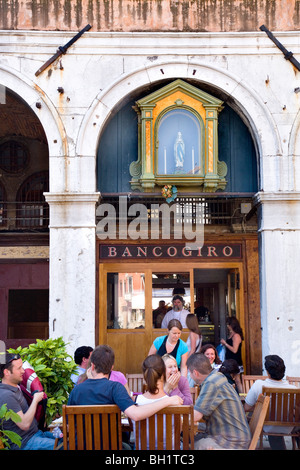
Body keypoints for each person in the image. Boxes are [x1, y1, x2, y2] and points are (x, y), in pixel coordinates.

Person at [68, 345, 183, 422]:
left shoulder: (76, 390)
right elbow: (136, 414)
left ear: (92, 365)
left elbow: (68, 425)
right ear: (111, 367)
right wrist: (167, 400)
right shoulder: (115, 388)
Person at [187, 353, 251, 450]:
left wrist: (175, 417)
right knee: (191, 439)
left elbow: (195, 416)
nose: (190, 376)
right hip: (235, 437)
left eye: (190, 373)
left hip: (231, 443)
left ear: (195, 373)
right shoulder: (217, 376)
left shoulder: (211, 382)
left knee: (186, 445)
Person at [0, 353, 62, 450]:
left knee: (74, 441)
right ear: (7, 372)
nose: (23, 371)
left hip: (36, 434)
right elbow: (24, 424)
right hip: (26, 443)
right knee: (68, 446)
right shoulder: (6, 395)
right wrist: (35, 400)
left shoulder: (16, 387)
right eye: (19, 368)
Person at [244, 355, 296, 450]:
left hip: (268, 426)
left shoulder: (259, 385)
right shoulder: (294, 389)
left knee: (252, 418)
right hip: (289, 427)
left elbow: (246, 408)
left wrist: (264, 407)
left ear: (268, 372)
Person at [134, 354, 182, 449]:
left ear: (144, 376)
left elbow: (133, 429)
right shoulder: (174, 403)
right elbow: (178, 431)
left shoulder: (135, 402)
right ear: (164, 374)